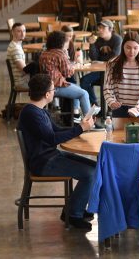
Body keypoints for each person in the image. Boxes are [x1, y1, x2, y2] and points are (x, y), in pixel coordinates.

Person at [17, 74, 97, 230]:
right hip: (43, 162)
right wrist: (80, 129)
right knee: (90, 174)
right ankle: (73, 214)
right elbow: (52, 138)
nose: (55, 92)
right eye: (53, 89)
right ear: (47, 94)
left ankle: (74, 208)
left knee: (96, 167)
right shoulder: (31, 113)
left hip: (51, 157)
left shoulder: (40, 111)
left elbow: (57, 131)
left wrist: (80, 128)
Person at [39, 31, 90, 122]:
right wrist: (73, 66)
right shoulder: (60, 54)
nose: (68, 44)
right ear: (61, 42)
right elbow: (68, 73)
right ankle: (90, 121)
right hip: (56, 87)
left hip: (45, 86)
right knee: (84, 93)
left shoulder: (44, 53)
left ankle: (76, 116)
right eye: (66, 41)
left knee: (76, 88)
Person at [103, 32, 139, 117]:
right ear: (122, 47)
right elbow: (107, 86)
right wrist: (111, 101)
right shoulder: (112, 64)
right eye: (128, 48)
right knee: (118, 130)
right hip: (119, 108)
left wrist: (137, 109)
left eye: (135, 48)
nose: (132, 52)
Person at [80, 20, 122, 106]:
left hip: (113, 71)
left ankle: (97, 106)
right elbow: (94, 57)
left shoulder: (117, 39)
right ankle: (95, 106)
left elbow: (114, 57)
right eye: (99, 28)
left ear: (110, 29)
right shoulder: (98, 40)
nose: (100, 30)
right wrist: (92, 44)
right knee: (84, 81)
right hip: (100, 71)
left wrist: (101, 60)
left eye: (103, 28)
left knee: (85, 80)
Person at [6, 22, 30, 88]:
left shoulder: (15, 45)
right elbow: (24, 70)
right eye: (19, 31)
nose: (23, 34)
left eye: (24, 31)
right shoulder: (15, 49)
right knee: (46, 84)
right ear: (12, 33)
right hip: (21, 82)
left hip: (22, 79)